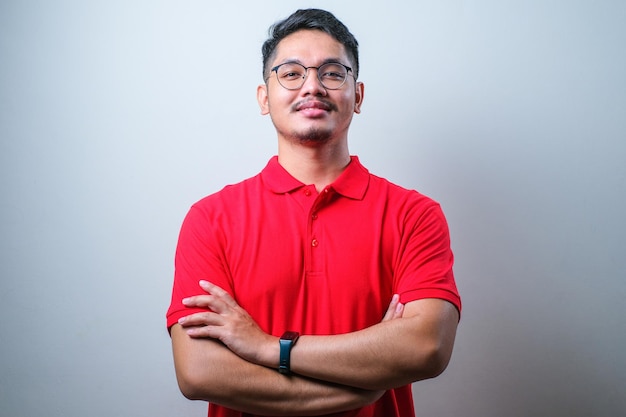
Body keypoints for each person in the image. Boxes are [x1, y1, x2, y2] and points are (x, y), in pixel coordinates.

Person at [166, 8, 461, 417]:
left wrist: (268, 346)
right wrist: (359, 386)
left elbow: (426, 347)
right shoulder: (211, 218)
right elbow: (199, 372)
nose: (312, 86)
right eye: (291, 73)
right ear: (264, 98)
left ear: (357, 96)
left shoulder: (414, 214)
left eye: (333, 73)